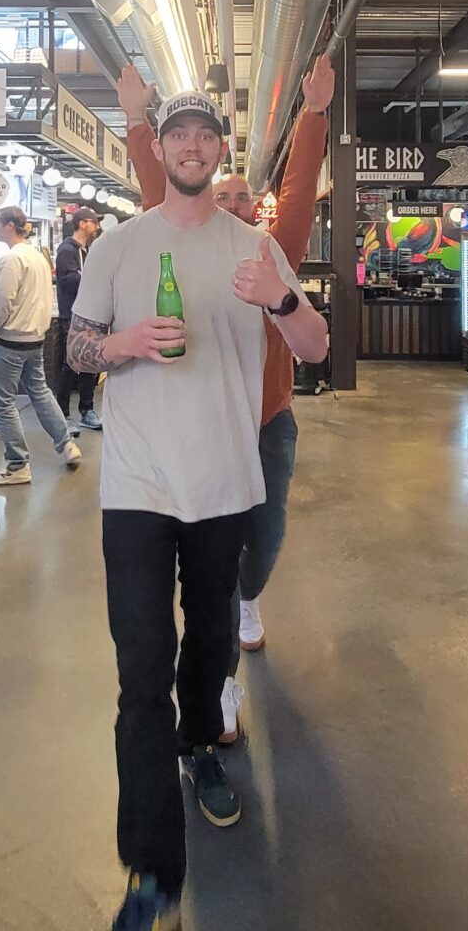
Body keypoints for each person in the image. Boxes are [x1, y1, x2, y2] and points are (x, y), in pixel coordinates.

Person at [68, 90, 328, 931]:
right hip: (137, 489)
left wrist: (285, 295)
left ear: (219, 150)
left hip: (224, 485)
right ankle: (150, 879)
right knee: (140, 673)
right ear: (161, 147)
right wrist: (124, 343)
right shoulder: (118, 245)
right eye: (175, 132)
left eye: (204, 133)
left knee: (209, 649)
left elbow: (319, 341)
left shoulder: (254, 248)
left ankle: (201, 745)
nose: (189, 144)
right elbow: (75, 347)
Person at [119, 53, 333, 742]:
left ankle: (247, 598)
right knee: (198, 570)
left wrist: (317, 113)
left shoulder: (272, 252)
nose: (237, 202)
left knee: (262, 543)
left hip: (267, 425)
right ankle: (220, 689)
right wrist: (134, 120)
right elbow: (160, 187)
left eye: (246, 197)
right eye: (229, 194)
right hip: (199, 428)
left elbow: (300, 192)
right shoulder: (182, 241)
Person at [0, 205, 82, 486]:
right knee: (40, 392)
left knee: (3, 402)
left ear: (10, 226)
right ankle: (66, 445)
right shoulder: (37, 257)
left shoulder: (12, 259)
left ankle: (17, 465)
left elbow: (2, 302)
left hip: (10, 339)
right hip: (35, 339)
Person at [54, 205, 103, 431]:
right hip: (71, 316)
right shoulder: (67, 250)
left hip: (89, 315)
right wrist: (91, 277)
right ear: (82, 223)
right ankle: (62, 414)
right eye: (94, 221)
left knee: (89, 364)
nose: (97, 226)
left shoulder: (86, 250)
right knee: (70, 365)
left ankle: (87, 410)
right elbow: (67, 281)